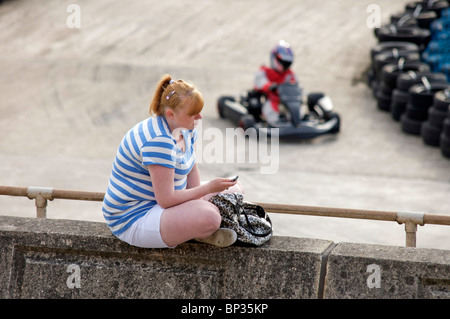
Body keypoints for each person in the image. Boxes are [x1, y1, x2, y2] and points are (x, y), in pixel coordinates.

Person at [102, 74, 244, 249]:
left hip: (162, 203)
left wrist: (200, 200)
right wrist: (208, 191)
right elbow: (166, 200)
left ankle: (194, 230)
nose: (199, 117)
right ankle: (198, 231)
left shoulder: (184, 128)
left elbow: (191, 167)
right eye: (193, 113)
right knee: (210, 217)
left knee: (235, 190)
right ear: (170, 114)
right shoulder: (158, 141)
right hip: (133, 217)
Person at [254, 40, 299, 125]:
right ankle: (274, 123)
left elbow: (295, 85)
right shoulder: (264, 71)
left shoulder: (290, 74)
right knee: (271, 111)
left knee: (298, 109)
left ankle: (296, 121)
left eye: (287, 63)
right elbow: (260, 83)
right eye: (284, 62)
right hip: (270, 99)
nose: (285, 65)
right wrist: (270, 86)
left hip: (287, 101)